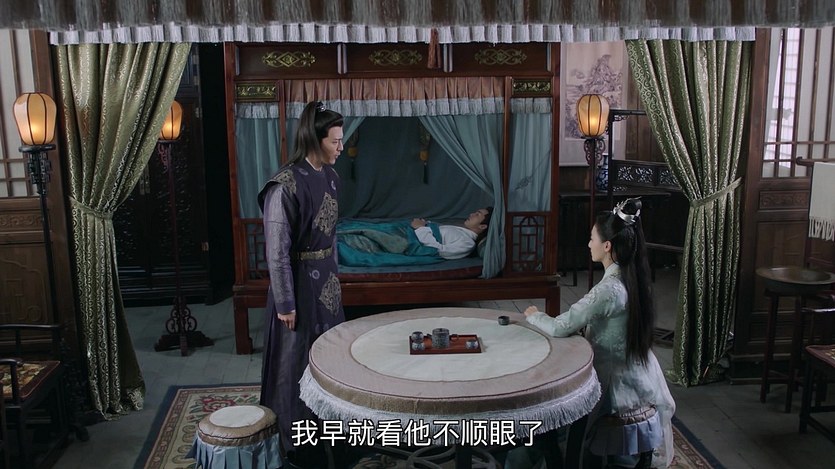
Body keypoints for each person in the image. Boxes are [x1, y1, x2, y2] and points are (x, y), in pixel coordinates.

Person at [523, 198, 675, 468]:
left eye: (592, 238)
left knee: (552, 412)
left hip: (612, 381)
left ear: (607, 246)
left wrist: (534, 315)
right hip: (638, 371)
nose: (588, 244)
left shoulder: (609, 290)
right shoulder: (633, 278)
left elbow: (560, 326)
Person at [257, 101, 344, 468]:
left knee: (331, 360)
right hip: (297, 286)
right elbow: (276, 252)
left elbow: (331, 236)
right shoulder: (284, 185)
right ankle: (296, 444)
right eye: (335, 141)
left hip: (327, 284)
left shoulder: (331, 176)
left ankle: (332, 435)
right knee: (294, 365)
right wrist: (285, 304)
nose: (341, 147)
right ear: (315, 139)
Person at [410, 206, 493, 259]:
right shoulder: (462, 231)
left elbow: (436, 250)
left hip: (414, 237)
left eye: (477, 215)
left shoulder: (468, 243)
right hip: (414, 229)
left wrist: (420, 228)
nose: (471, 214)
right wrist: (424, 224)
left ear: (482, 226)